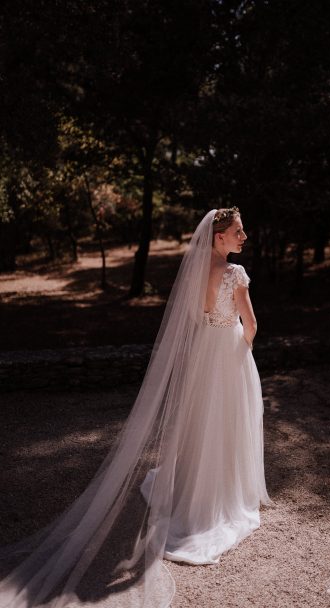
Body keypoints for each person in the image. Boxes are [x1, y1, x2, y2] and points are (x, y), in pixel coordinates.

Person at [0, 207, 270, 608]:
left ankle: (191, 489)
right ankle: (220, 498)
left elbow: (198, 316)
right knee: (230, 424)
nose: (243, 236)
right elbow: (251, 325)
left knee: (201, 423)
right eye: (238, 231)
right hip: (227, 354)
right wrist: (240, 353)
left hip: (203, 355)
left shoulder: (198, 270)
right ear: (219, 237)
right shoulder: (235, 273)